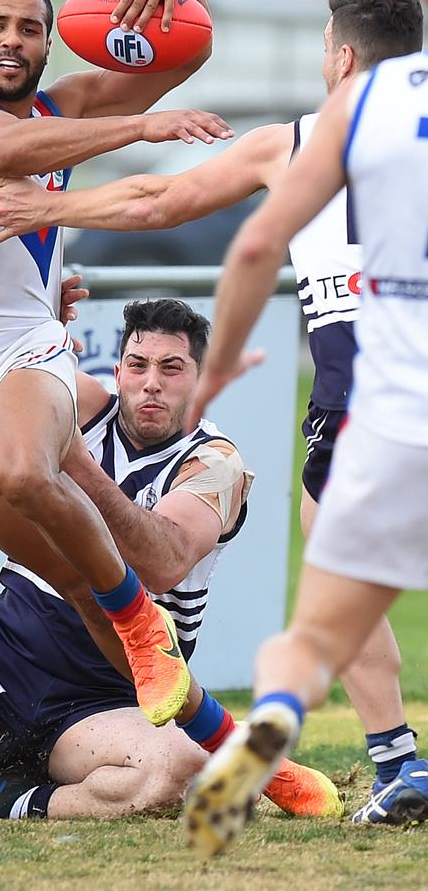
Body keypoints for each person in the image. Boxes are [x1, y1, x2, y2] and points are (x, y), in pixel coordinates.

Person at [0, 0, 424, 819]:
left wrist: (45, 205)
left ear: (341, 56)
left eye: (323, 48)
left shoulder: (302, 140)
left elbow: (164, 196)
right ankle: (396, 765)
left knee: (339, 574)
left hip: (376, 385)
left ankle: (398, 767)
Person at [0, 298, 341, 823]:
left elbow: (164, 562)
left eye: (172, 369)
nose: (151, 382)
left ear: (201, 380)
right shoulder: (82, 405)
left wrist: (76, 464)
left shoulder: (216, 463)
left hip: (108, 687)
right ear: (120, 370)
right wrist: (32, 333)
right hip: (4, 652)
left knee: (178, 773)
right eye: (138, 365)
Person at [0, 0, 235, 729]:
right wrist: (141, 126)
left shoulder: (62, 109)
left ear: (53, 42)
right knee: (76, 582)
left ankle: (147, 628)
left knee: (23, 471)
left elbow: (193, 46)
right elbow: (3, 154)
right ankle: (232, 750)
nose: (14, 39)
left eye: (32, 28)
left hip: (28, 355)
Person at [179, 44, 428, 857]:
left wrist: (215, 368)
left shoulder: (339, 118)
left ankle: (311, 739)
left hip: (378, 405)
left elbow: (249, 245)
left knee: (317, 632)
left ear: (342, 52)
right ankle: (395, 769)